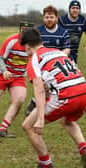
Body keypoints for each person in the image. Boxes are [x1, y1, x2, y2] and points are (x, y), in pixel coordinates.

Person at [21, 28, 86, 168]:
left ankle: (46, 164)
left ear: (27, 47)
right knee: (66, 119)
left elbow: (38, 90)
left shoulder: (34, 59)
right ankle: (84, 149)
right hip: (83, 91)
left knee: (29, 126)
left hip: (67, 95)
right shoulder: (57, 52)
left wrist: (40, 119)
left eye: (26, 50)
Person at [26, 5, 71, 116]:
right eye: (47, 17)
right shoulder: (37, 31)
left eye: (51, 17)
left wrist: (58, 56)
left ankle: (35, 102)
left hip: (57, 65)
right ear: (43, 18)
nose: (49, 19)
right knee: (43, 87)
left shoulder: (63, 32)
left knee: (53, 88)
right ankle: (38, 107)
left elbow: (67, 48)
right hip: (41, 65)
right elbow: (31, 47)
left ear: (56, 18)